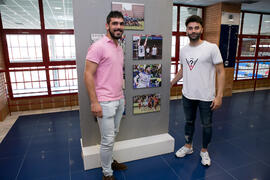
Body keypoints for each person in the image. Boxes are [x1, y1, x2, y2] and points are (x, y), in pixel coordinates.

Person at [170, 15, 225, 166]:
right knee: (188, 122)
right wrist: (171, 83)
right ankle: (188, 147)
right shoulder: (184, 50)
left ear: (202, 29)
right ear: (186, 30)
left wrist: (219, 96)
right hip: (188, 94)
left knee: (206, 125)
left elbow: (221, 72)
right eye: (190, 28)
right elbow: (183, 69)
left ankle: (204, 151)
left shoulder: (211, 48)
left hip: (206, 96)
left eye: (196, 28)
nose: (193, 31)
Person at [84, 11, 127, 180]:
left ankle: (108, 161)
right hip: (104, 102)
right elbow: (88, 75)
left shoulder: (118, 46)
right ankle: (107, 173)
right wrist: (94, 102)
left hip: (119, 99)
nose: (118, 27)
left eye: (121, 24)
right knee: (107, 139)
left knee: (112, 135)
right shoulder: (98, 46)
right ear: (107, 25)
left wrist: (121, 97)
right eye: (114, 23)